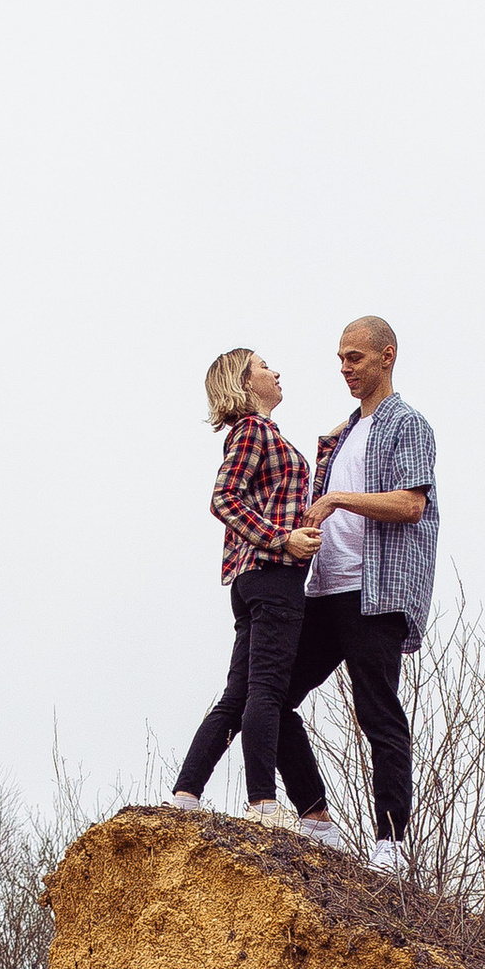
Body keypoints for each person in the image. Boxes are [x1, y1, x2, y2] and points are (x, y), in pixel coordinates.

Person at [281, 315, 440, 875]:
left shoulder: (407, 425)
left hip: (375, 592)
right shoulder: (342, 433)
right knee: (270, 695)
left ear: (387, 356)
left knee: (380, 717)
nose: (346, 368)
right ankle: (317, 820)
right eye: (341, 359)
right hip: (324, 589)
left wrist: (339, 499)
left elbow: (411, 505)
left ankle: (391, 846)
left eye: (356, 357)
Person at [167, 349, 327, 825]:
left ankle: (186, 793)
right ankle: (263, 803)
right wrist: (283, 540)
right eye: (263, 366)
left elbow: (287, 493)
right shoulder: (252, 430)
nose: (276, 371)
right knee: (268, 692)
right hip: (272, 575)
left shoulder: (265, 434)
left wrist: (330, 445)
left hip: (251, 579)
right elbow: (223, 498)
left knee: (238, 696)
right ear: (242, 381)